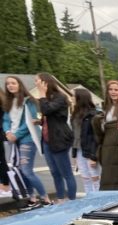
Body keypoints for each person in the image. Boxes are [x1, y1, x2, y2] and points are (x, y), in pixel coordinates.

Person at [3, 75, 50, 205]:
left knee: (26, 170)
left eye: (13, 83)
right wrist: (7, 132)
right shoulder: (8, 102)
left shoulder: (29, 101)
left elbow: (30, 121)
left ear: (20, 85)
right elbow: (6, 120)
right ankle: (32, 198)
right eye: (8, 84)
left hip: (27, 139)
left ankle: (45, 198)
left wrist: (16, 134)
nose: (10, 86)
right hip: (13, 139)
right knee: (19, 170)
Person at [35, 72, 77, 202]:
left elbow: (47, 110)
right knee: (54, 172)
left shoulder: (60, 97)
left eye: (37, 81)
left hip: (59, 139)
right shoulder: (47, 98)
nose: (35, 83)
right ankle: (60, 198)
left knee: (66, 173)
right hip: (47, 140)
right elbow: (50, 116)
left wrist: (42, 95)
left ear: (45, 82)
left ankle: (72, 200)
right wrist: (39, 122)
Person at [71, 88, 100, 195]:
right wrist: (74, 154)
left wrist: (93, 156)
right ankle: (89, 200)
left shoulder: (93, 114)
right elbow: (75, 135)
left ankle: (98, 202)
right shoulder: (75, 114)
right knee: (85, 178)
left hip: (89, 150)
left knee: (95, 178)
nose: (71, 98)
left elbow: (95, 137)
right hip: (79, 150)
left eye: (73, 96)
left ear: (80, 98)